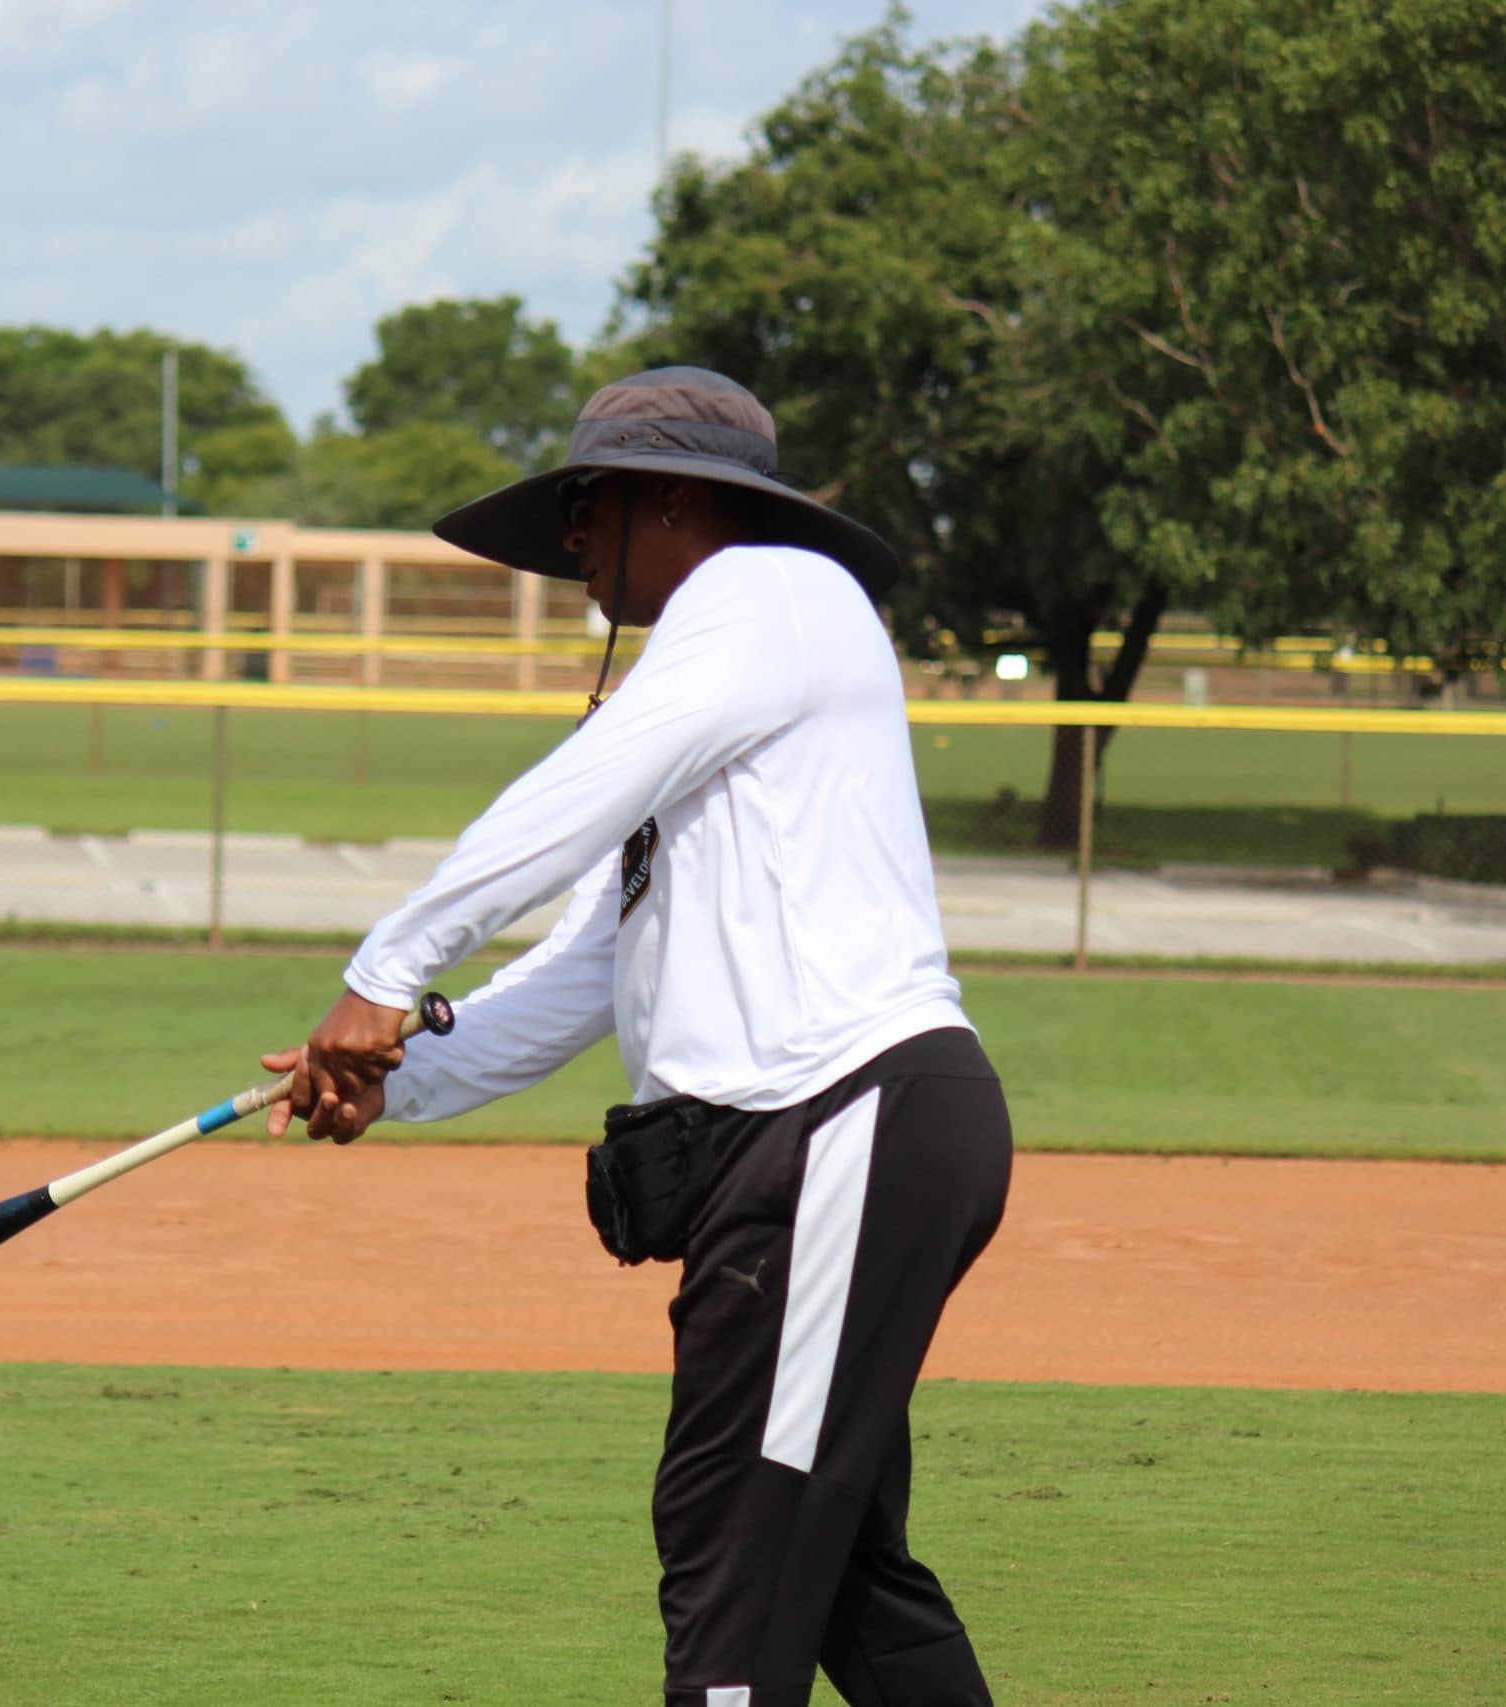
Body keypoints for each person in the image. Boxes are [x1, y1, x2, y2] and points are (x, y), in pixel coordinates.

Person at [260, 368, 1012, 1707]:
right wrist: (397, 1076)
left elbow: (577, 790)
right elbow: (587, 971)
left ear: (671, 499)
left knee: (727, 1543)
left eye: (586, 508)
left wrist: (389, 968)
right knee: (834, 1573)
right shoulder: (725, 676)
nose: (570, 544)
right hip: (818, 1147)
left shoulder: (773, 595)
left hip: (837, 1124)